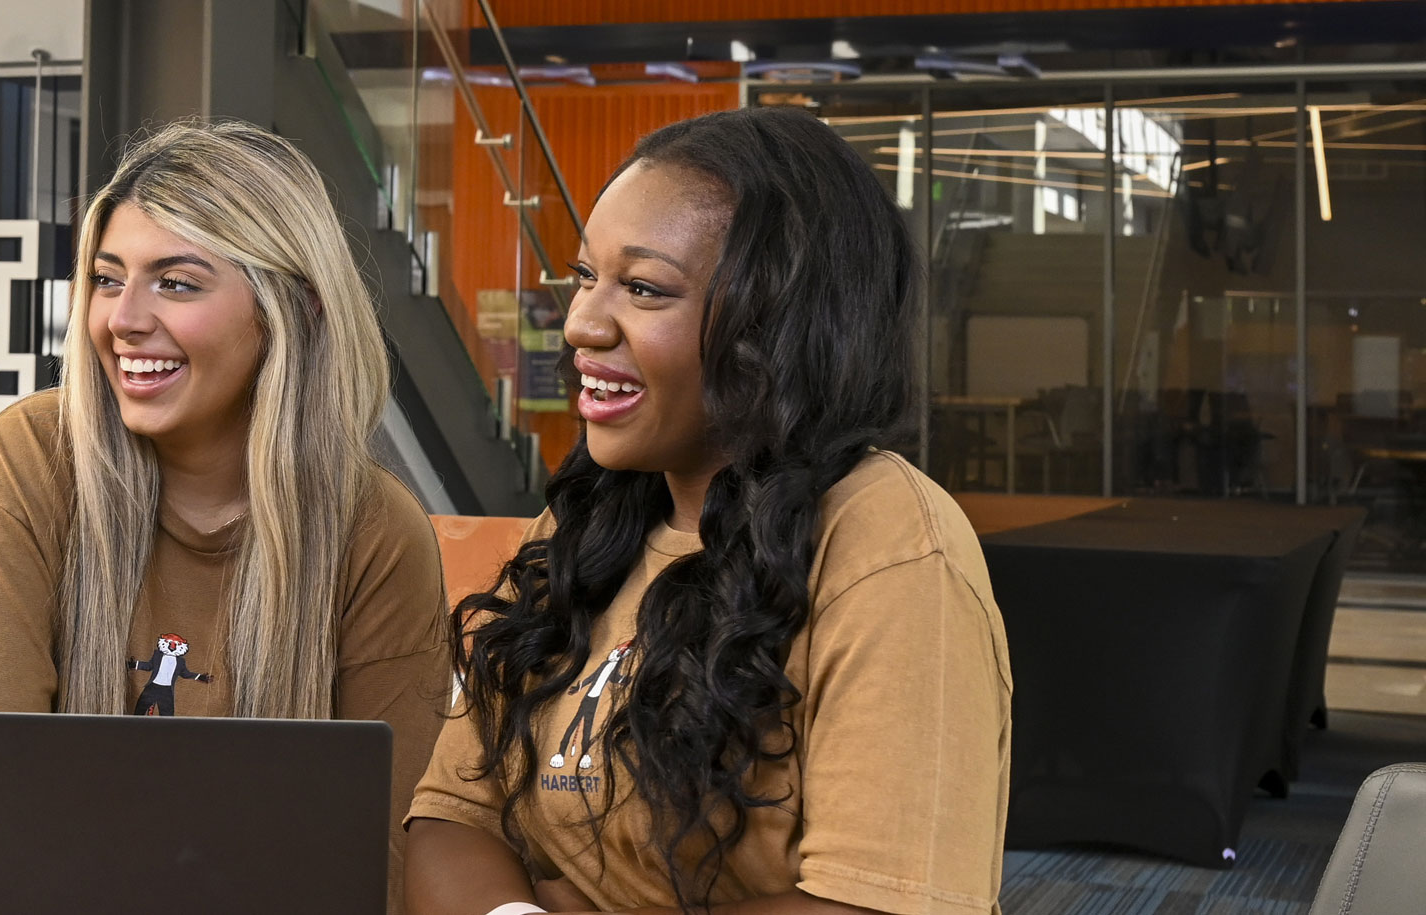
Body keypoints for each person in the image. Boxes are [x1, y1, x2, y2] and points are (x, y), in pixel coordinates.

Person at [402, 106, 1011, 915]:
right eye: (586, 276)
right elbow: (451, 814)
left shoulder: (888, 544)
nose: (581, 323)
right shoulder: (590, 517)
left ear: (776, 326)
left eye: (644, 288)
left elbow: (880, 904)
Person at [0, 119, 450, 899]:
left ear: (291, 309)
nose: (124, 319)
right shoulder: (33, 459)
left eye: (176, 282)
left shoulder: (375, 529)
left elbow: (383, 855)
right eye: (107, 279)